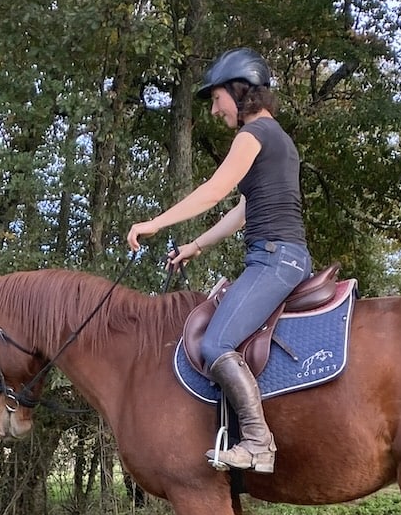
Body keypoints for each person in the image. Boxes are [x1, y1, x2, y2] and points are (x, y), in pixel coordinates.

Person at [126, 47, 309, 472]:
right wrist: (196, 245)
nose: (213, 110)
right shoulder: (277, 139)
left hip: (274, 259)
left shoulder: (253, 136)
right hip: (283, 256)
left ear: (239, 91)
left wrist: (154, 222)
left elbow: (214, 190)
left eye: (216, 99)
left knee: (215, 343)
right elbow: (242, 209)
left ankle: (258, 442)